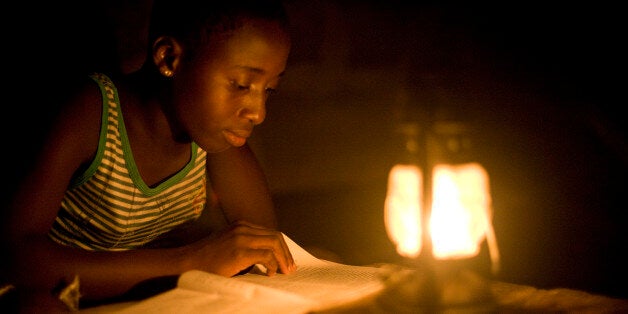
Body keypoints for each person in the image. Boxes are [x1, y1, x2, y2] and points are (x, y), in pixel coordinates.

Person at [1, 0, 295, 310]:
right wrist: (191, 260)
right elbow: (14, 256)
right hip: (53, 292)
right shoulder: (92, 115)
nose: (258, 113)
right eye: (240, 85)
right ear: (169, 58)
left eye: (269, 89)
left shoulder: (212, 138)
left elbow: (264, 247)